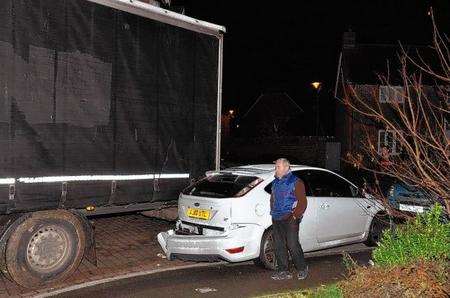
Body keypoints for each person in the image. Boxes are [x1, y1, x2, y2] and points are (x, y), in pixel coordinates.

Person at [270, 158, 308, 280]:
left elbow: (302, 202)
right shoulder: (275, 182)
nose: (276, 169)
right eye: (275, 167)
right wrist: (273, 211)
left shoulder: (296, 182)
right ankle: (283, 271)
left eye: (278, 167)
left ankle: (302, 268)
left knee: (292, 244)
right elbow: (273, 199)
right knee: (279, 245)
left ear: (286, 168)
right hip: (277, 217)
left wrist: (295, 215)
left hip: (290, 218)